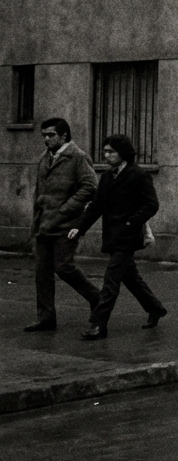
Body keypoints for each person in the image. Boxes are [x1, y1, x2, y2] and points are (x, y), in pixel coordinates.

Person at [69, 134, 166, 341]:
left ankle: (98, 324)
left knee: (110, 281)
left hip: (128, 236)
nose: (106, 155)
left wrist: (132, 222)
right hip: (112, 235)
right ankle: (155, 308)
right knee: (131, 278)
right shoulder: (106, 177)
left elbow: (151, 205)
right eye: (105, 151)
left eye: (111, 152)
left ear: (123, 153)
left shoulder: (139, 175)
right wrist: (80, 227)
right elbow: (96, 206)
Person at [26, 118, 102, 332]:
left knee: (63, 267)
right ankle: (46, 318)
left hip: (65, 225)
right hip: (43, 224)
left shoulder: (77, 157)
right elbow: (40, 191)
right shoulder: (46, 157)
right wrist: (36, 221)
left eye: (51, 135)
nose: (46, 139)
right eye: (44, 135)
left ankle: (97, 298)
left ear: (64, 136)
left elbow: (90, 187)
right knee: (42, 273)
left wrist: (66, 209)